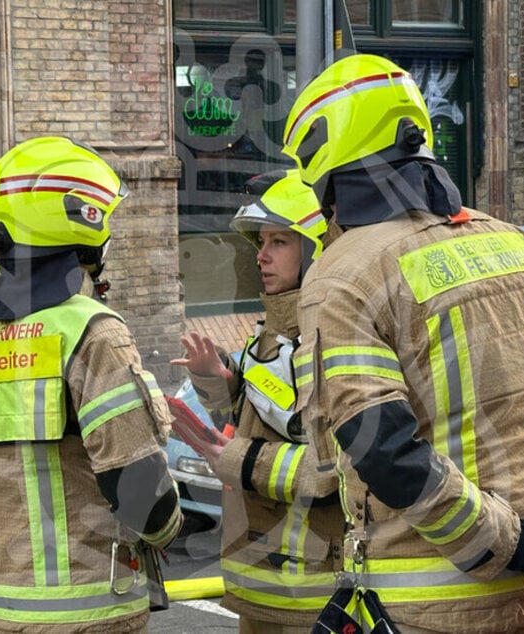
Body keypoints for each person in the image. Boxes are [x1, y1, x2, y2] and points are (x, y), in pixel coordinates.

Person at [281, 53, 524, 633]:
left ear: (325, 162)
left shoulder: (343, 276)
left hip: (428, 608)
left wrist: (523, 548)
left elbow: (386, 454)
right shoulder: (518, 245)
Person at [0, 136, 182, 632]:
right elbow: (141, 494)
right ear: (81, 222)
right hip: (92, 610)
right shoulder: (90, 331)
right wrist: (170, 530)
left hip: (1, 609)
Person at [170, 169, 343, 632]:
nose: (261, 256)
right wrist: (216, 382)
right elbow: (252, 422)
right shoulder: (270, 330)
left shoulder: (331, 336)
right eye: (261, 242)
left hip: (309, 584)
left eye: (279, 242)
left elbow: (333, 467)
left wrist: (232, 458)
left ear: (315, 248)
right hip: (259, 574)